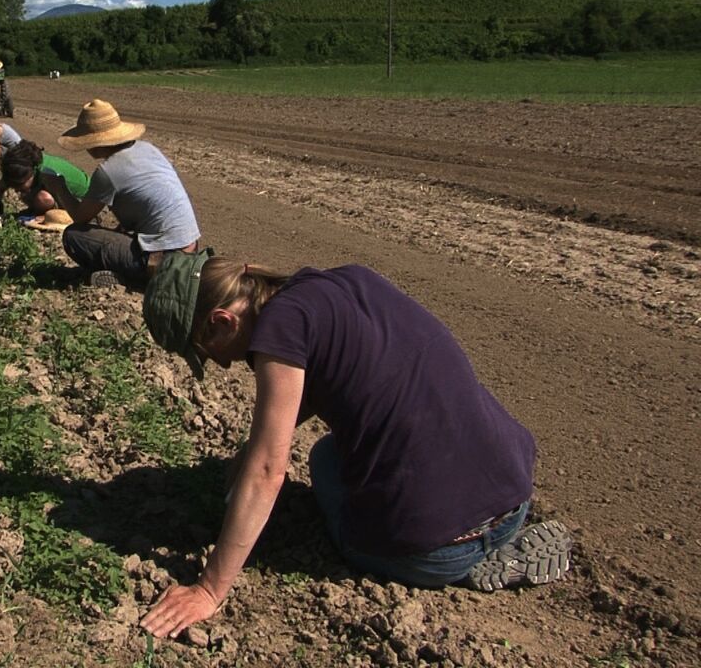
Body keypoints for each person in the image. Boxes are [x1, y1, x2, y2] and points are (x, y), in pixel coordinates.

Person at [138, 252, 574, 639]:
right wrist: (247, 454)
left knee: (331, 480)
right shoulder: (339, 282)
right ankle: (487, 533)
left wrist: (210, 589)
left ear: (221, 321)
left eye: (210, 352)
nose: (224, 364)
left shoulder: (277, 332)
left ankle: (464, 564)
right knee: (333, 452)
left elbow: (270, 472)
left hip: (440, 552)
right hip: (513, 489)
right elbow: (317, 390)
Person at [53, 99, 201, 289]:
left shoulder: (108, 171)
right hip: (190, 249)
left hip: (163, 260)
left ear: (95, 142)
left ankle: (136, 280)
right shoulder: (148, 149)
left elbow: (80, 217)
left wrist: (60, 187)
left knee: (73, 236)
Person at [0, 140, 89, 220]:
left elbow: (69, 206)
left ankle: (42, 214)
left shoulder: (48, 174)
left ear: (30, 174)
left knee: (43, 199)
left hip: (82, 202)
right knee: (29, 195)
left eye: (19, 186)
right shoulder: (24, 164)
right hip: (60, 194)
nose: (16, 190)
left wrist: (45, 218)